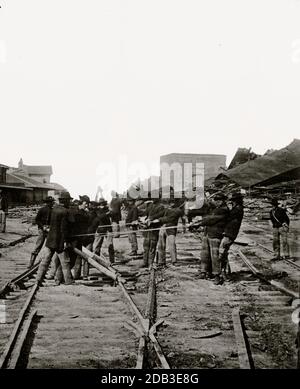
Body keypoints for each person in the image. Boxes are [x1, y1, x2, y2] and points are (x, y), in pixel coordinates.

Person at [35, 191, 75, 286]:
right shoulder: (65, 212)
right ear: (65, 201)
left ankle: (38, 279)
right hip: (60, 241)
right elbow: (64, 228)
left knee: (45, 260)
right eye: (68, 201)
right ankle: (68, 280)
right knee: (65, 262)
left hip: (50, 240)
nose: (69, 202)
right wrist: (66, 241)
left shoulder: (53, 209)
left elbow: (48, 223)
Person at [197, 192, 229, 285]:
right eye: (215, 200)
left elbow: (211, 220)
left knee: (215, 257)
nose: (216, 202)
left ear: (222, 201)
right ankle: (204, 272)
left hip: (215, 235)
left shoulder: (224, 210)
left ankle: (217, 276)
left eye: (218, 200)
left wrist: (198, 223)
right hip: (207, 234)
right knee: (204, 255)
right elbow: (207, 216)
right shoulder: (215, 209)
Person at [219, 192, 244, 277]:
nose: (231, 202)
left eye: (233, 201)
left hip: (230, 233)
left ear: (236, 201)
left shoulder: (238, 209)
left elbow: (227, 217)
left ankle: (225, 273)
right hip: (230, 233)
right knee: (223, 253)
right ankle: (225, 272)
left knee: (222, 252)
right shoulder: (237, 208)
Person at [28, 196, 55, 268]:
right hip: (42, 230)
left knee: (50, 246)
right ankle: (31, 263)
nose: (52, 203)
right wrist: (42, 226)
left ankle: (48, 263)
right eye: (50, 202)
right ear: (47, 203)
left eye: (52, 202)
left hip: (49, 230)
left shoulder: (53, 210)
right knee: (38, 245)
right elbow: (37, 220)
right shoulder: (42, 210)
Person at [157, 197, 184, 266]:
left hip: (171, 229)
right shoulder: (165, 210)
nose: (165, 206)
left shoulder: (177, 210)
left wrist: (159, 220)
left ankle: (174, 261)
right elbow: (158, 215)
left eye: (167, 204)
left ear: (172, 204)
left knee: (172, 245)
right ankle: (161, 261)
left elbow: (169, 218)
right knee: (161, 245)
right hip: (163, 228)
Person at [143, 194, 165, 268]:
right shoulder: (150, 205)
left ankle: (150, 263)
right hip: (147, 229)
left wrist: (151, 218)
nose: (153, 199)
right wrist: (145, 219)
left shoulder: (161, 207)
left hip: (155, 228)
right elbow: (146, 214)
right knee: (146, 246)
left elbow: (160, 215)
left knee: (152, 246)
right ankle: (145, 262)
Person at [92, 198, 115, 263]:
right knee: (97, 246)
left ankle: (112, 261)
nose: (102, 205)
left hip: (108, 229)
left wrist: (111, 211)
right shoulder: (97, 210)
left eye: (103, 204)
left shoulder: (107, 209)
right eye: (101, 204)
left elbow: (114, 214)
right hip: (100, 230)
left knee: (110, 245)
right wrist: (107, 213)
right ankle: (97, 260)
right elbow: (100, 217)